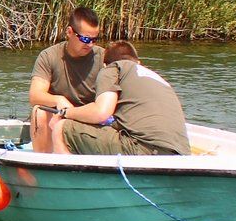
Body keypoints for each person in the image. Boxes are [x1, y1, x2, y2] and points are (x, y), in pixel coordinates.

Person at [48, 40, 191, 156]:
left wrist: (65, 113)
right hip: (180, 153)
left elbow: (101, 112)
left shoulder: (113, 68)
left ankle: (74, 186)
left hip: (146, 150)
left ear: (105, 64)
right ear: (138, 62)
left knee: (61, 128)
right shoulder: (157, 78)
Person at [28, 6, 103, 152]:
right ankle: (44, 163)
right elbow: (34, 95)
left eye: (94, 39)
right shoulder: (49, 56)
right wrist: (58, 100)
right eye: (85, 39)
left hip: (89, 118)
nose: (90, 44)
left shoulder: (103, 58)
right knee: (39, 111)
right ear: (69, 32)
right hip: (58, 116)